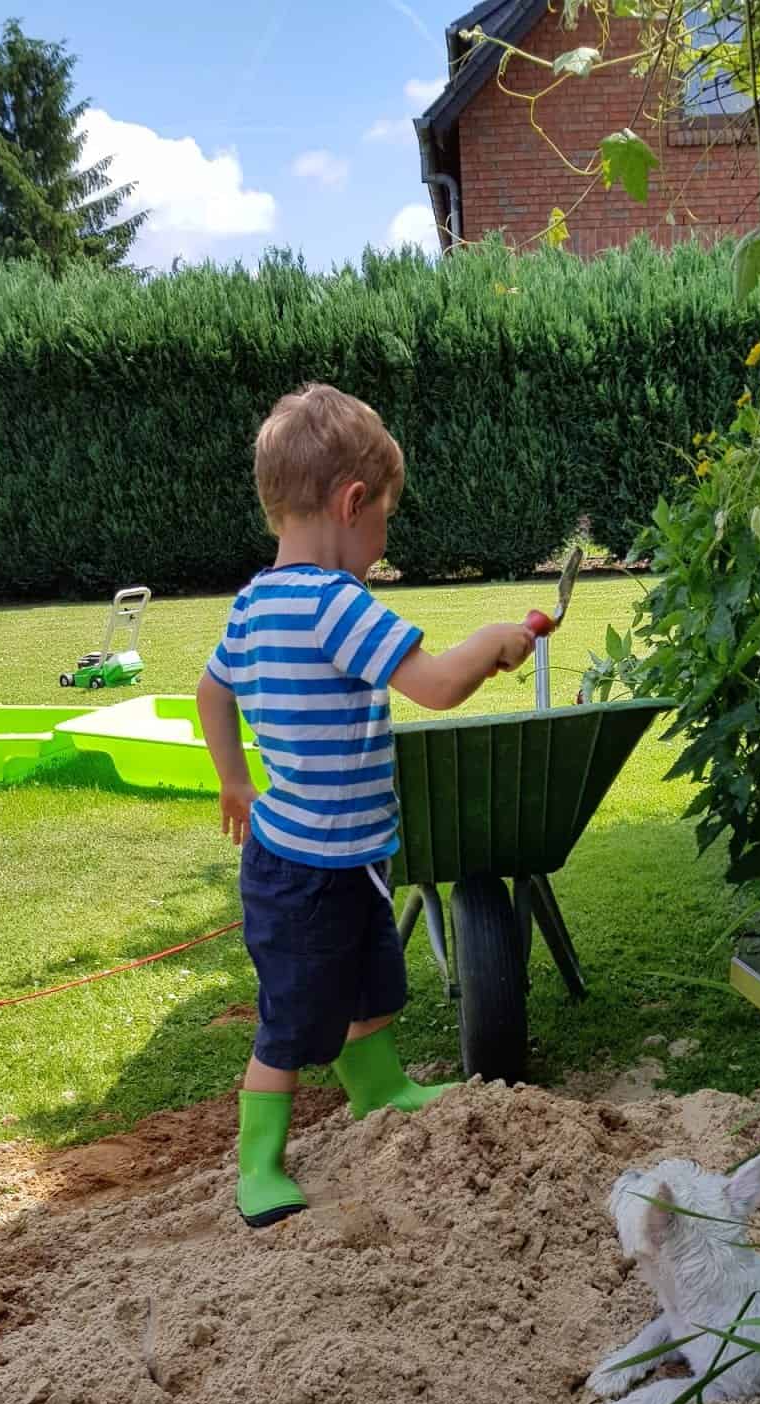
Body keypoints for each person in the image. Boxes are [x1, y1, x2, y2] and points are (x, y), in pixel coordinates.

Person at [197, 383, 534, 1228]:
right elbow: (436, 687)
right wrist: (493, 644)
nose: (382, 544)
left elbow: (210, 691)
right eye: (384, 520)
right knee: (291, 1022)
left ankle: (378, 1086)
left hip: (344, 857)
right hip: (304, 873)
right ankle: (258, 1166)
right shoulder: (332, 602)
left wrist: (234, 779)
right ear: (352, 504)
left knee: (372, 989)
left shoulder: (252, 604)